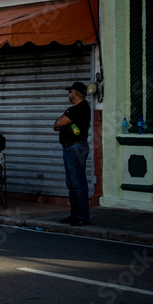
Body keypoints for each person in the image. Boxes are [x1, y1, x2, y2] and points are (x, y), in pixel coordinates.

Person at [53, 81, 91, 227]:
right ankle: (74, 214)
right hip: (70, 148)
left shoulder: (79, 109)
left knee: (78, 183)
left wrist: (63, 122)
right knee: (71, 184)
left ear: (75, 93)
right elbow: (56, 126)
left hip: (76, 148)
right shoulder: (74, 110)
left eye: (70, 92)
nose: (69, 94)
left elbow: (58, 123)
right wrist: (63, 122)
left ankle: (82, 216)